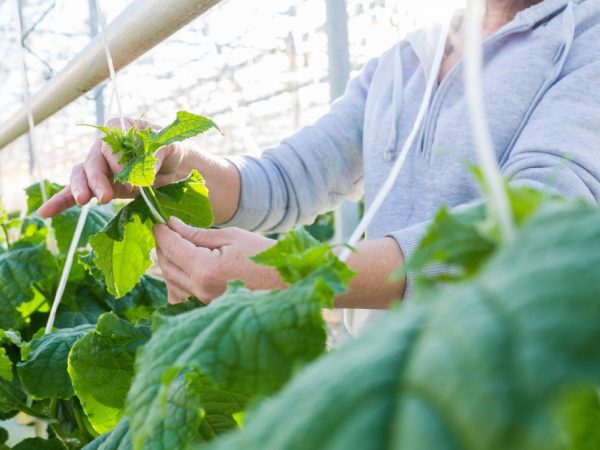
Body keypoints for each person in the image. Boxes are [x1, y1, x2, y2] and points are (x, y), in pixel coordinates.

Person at [39, 0, 600, 331]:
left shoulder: (585, 37)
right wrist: (169, 160)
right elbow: (284, 183)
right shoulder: (402, 63)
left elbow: (545, 223)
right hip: (388, 388)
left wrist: (303, 273)